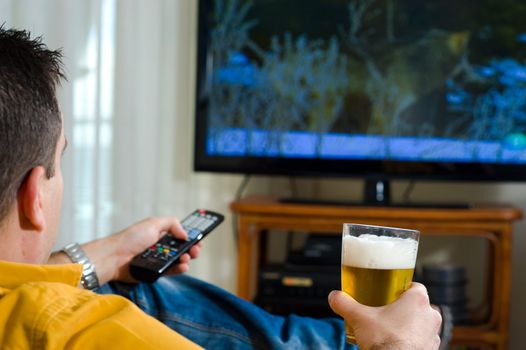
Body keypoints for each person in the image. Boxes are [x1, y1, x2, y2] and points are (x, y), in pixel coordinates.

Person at [0, 26, 442, 349]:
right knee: (143, 295)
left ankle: (327, 339)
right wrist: (401, 346)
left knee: (143, 286)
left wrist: (108, 254)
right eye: (61, 159)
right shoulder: (88, 329)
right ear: (36, 195)